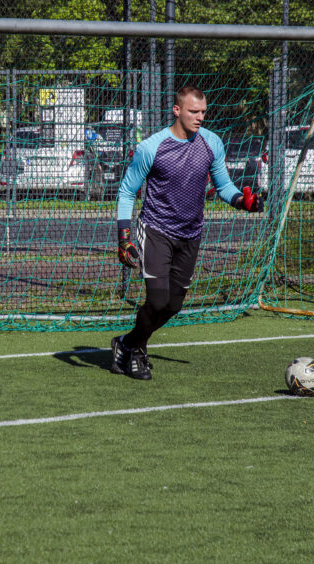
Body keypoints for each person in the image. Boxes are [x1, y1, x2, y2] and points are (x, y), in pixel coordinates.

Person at [111, 85, 263, 380]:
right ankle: (137, 351)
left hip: (191, 234)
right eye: (194, 111)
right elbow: (127, 192)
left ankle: (126, 343)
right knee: (157, 300)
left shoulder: (211, 143)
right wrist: (124, 238)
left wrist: (242, 202)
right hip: (156, 230)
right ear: (177, 110)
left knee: (173, 305)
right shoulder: (151, 148)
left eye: (203, 111)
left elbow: (223, 185)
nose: (200, 117)